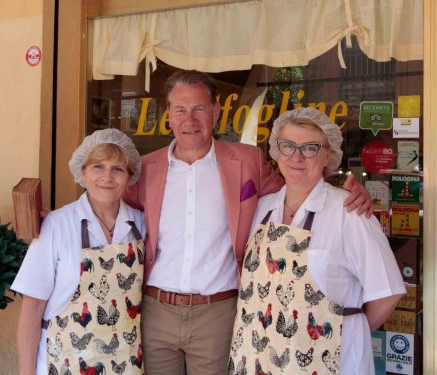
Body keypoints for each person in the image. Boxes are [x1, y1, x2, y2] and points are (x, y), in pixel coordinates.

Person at [123, 70, 373, 375]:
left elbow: (295, 187)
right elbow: (113, 213)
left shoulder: (248, 160)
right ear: (169, 116)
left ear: (215, 112)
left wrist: (343, 186)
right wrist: (48, 221)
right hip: (156, 311)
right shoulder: (146, 168)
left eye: (199, 108)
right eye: (180, 110)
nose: (190, 119)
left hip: (217, 313)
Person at [229, 107, 405, 374]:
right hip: (260, 355)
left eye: (310, 148)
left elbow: (388, 292)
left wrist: (346, 331)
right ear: (276, 152)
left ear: (328, 155)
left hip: (330, 358)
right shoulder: (262, 208)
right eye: (287, 146)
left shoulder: (350, 212)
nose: (296, 157)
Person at [12, 129, 146, 375]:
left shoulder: (141, 224)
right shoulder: (57, 225)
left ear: (130, 176)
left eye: (117, 169)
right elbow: (32, 308)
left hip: (125, 361)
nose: (107, 176)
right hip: (65, 360)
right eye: (98, 167)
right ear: (83, 172)